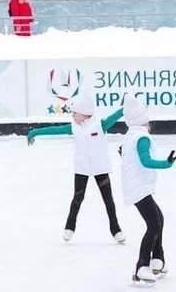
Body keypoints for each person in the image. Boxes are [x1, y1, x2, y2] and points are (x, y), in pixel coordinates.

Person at [27, 96, 126, 244]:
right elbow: (55, 130)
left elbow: (117, 115)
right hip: (82, 168)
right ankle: (69, 226)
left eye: (74, 113)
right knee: (77, 198)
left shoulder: (100, 125)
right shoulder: (74, 126)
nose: (72, 115)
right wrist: (34, 132)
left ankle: (116, 229)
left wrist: (127, 105)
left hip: (100, 168)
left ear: (85, 113)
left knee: (108, 200)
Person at [120, 95, 176, 286]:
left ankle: (157, 261)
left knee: (158, 219)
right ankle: (141, 267)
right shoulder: (142, 138)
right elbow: (145, 161)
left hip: (137, 185)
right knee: (153, 224)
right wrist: (166, 164)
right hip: (138, 187)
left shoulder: (131, 135)